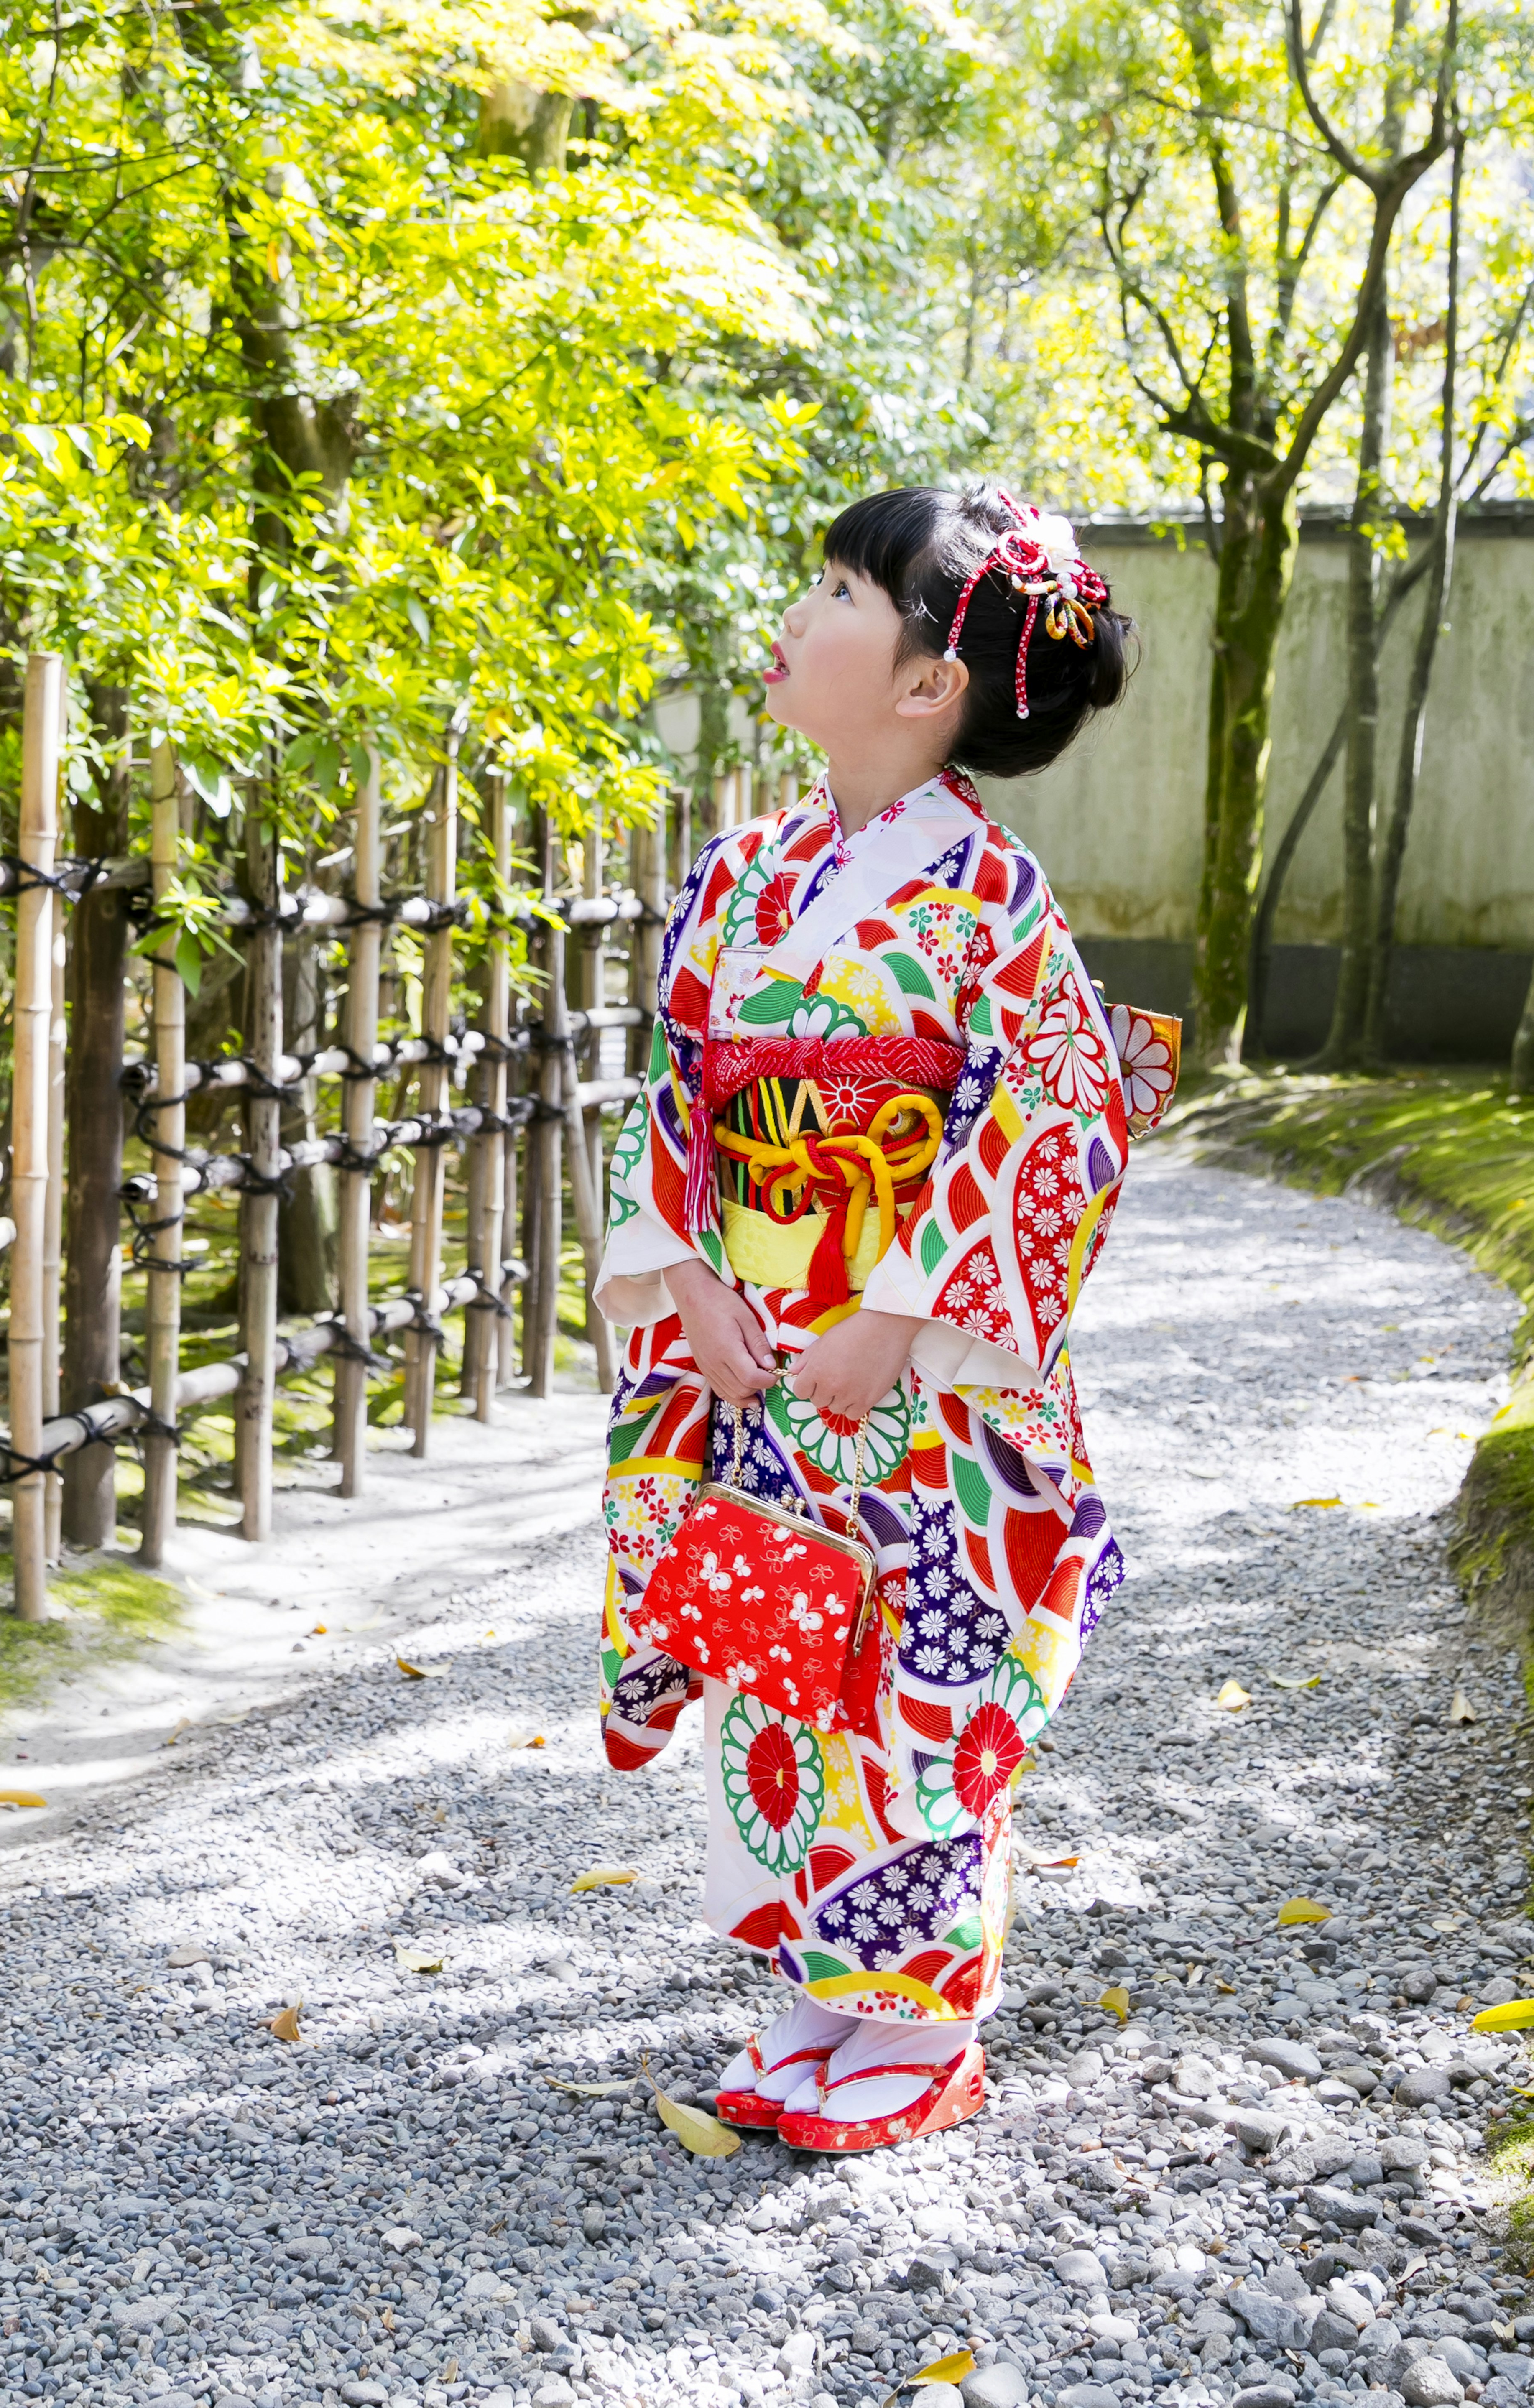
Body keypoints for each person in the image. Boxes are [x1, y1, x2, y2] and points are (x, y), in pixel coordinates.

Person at [592, 482, 1179, 2154]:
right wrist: (687, 1277)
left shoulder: (992, 903)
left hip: (917, 1382)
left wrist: (904, 1306)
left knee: (914, 1684)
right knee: (778, 1661)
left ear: (928, 683)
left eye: (842, 586)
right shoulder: (741, 875)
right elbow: (678, 1098)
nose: (803, 603)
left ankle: (919, 2024)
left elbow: (1060, 1116)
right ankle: (802, 1997)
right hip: (763, 1364)